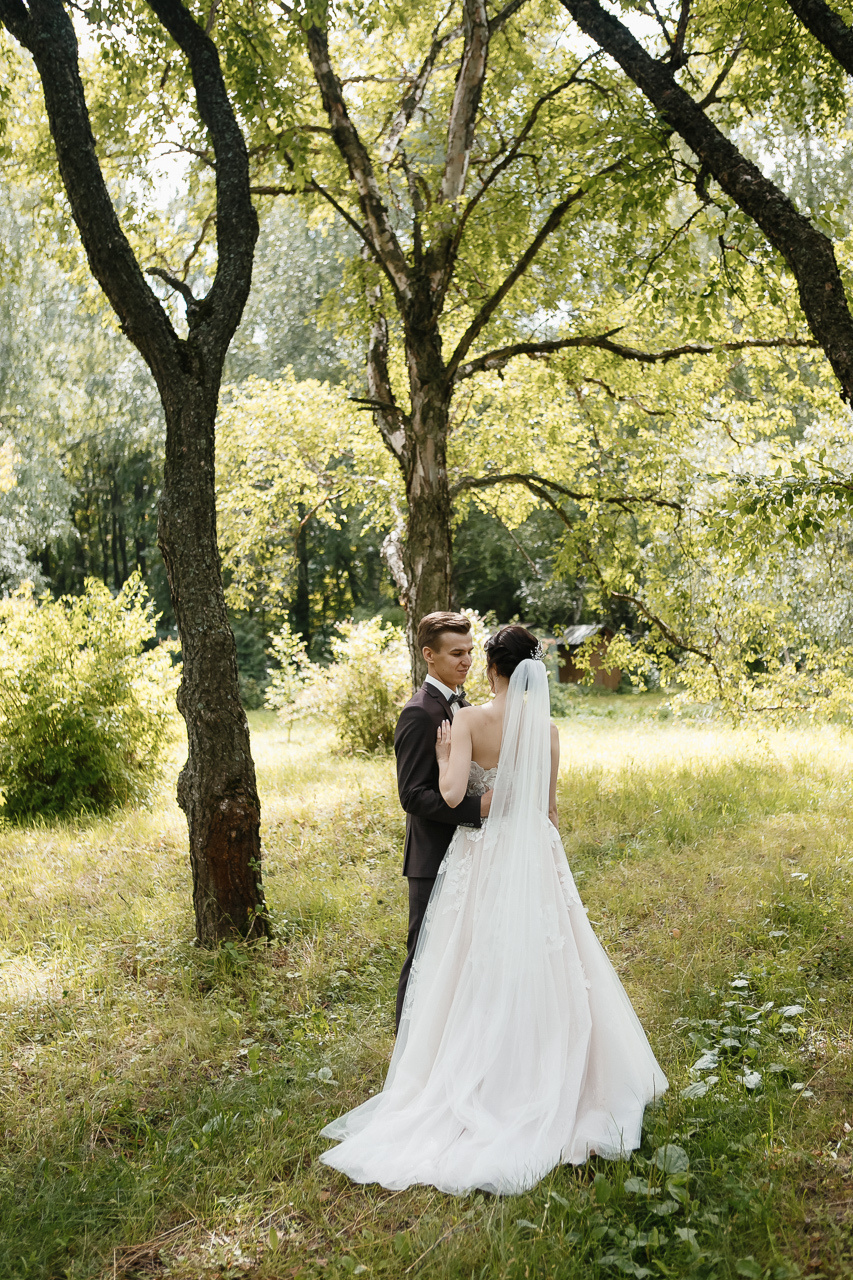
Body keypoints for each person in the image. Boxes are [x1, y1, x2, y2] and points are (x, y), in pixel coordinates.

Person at [320, 625, 667, 1195]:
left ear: (490, 670)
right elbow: (550, 811)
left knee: (474, 963)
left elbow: (453, 797)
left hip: (483, 855)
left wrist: (444, 753)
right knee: (547, 959)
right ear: (533, 670)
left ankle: (477, 1077)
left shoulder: (470, 723)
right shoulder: (549, 732)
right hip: (535, 851)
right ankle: (556, 1074)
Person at [391, 611, 492, 1029]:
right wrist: (477, 810)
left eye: (470, 652)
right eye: (456, 653)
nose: (467, 661)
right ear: (429, 656)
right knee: (424, 953)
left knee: (462, 954)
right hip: (433, 858)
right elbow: (412, 796)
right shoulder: (418, 714)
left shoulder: (464, 707)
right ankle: (406, 1052)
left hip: (470, 854)